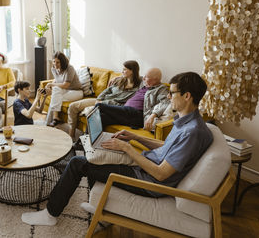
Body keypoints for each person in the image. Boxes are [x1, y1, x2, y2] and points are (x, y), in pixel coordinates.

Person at [21, 71, 213, 226]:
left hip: (148, 181)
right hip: (146, 166)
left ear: (187, 96)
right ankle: (96, 204)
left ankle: (51, 213)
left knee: (78, 163)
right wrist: (134, 137)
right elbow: (166, 146)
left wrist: (127, 148)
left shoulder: (192, 132)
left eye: (172, 93)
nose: (169, 97)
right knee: (97, 153)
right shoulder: (186, 122)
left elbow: (162, 174)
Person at [67, 60, 141, 139]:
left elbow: (122, 105)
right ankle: (71, 135)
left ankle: (87, 140)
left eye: (125, 69)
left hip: (110, 106)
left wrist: (103, 102)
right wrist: (99, 99)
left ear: (132, 71)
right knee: (73, 106)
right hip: (100, 101)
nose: (122, 71)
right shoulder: (121, 80)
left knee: (93, 114)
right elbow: (108, 90)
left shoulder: (137, 88)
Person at [96, 67, 169, 131]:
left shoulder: (161, 89)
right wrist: (118, 77)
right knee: (101, 117)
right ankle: (88, 143)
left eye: (146, 77)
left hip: (137, 115)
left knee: (99, 106)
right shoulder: (143, 83)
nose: (143, 78)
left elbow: (165, 102)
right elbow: (132, 76)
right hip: (126, 111)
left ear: (155, 80)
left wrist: (153, 115)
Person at [44, 51, 83, 127]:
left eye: (58, 62)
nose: (55, 64)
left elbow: (65, 85)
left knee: (55, 97)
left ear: (63, 62)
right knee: (55, 92)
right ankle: (55, 118)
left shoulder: (70, 68)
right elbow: (57, 80)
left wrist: (51, 84)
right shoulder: (54, 69)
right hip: (66, 91)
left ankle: (49, 123)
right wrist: (49, 87)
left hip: (76, 92)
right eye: (54, 61)